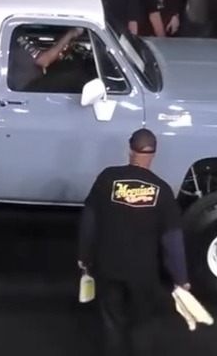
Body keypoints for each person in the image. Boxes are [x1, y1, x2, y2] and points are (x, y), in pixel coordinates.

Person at [78, 128, 189, 356]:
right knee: (142, 324)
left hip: (108, 266)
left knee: (111, 322)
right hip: (143, 274)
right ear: (154, 154)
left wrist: (84, 256)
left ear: (129, 150)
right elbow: (172, 240)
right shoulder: (163, 190)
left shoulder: (107, 178)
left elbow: (89, 220)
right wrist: (180, 278)